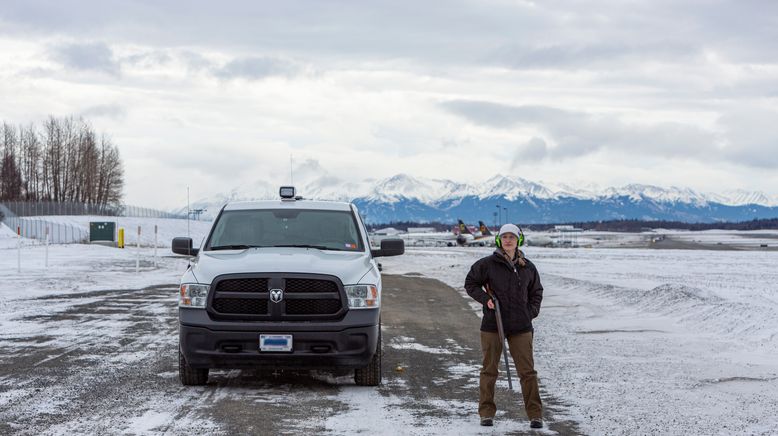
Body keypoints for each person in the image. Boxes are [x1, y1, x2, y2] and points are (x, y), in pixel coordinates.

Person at [464, 223, 544, 429]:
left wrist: (530, 312)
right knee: (489, 371)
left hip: (521, 327)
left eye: (512, 237)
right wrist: (485, 299)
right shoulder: (487, 264)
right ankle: (486, 413)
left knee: (527, 372)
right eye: (504, 237)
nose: (508, 240)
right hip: (493, 324)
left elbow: (537, 292)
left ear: (519, 240)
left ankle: (535, 415)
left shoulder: (528, 267)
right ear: (499, 240)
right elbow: (471, 283)